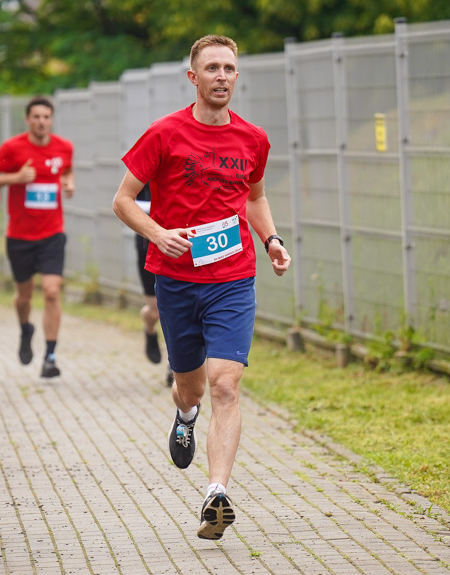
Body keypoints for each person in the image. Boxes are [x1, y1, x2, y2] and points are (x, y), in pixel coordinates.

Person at [112, 35, 292, 540]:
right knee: (190, 385)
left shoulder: (253, 139)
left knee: (226, 384)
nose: (220, 76)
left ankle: (216, 492)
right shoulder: (164, 133)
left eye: (229, 68)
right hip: (175, 280)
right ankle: (184, 414)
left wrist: (272, 239)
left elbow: (253, 198)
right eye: (211, 68)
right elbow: (123, 201)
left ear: (237, 77)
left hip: (233, 279)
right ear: (193, 77)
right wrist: (158, 233)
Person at [0, 96, 75, 378]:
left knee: (50, 291)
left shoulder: (64, 147)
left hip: (52, 233)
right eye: (36, 117)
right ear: (28, 119)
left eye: (46, 117)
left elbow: (67, 170)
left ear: (51, 119)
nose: (41, 122)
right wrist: (16, 178)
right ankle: (25, 329)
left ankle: (50, 355)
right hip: (20, 235)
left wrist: (69, 183)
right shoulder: (13, 148)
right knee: (24, 297)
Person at [133, 182, 175, 386]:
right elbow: (125, 203)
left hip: (180, 246)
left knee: (177, 310)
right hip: (148, 248)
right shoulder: (144, 168)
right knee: (156, 310)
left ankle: (174, 364)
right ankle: (149, 329)